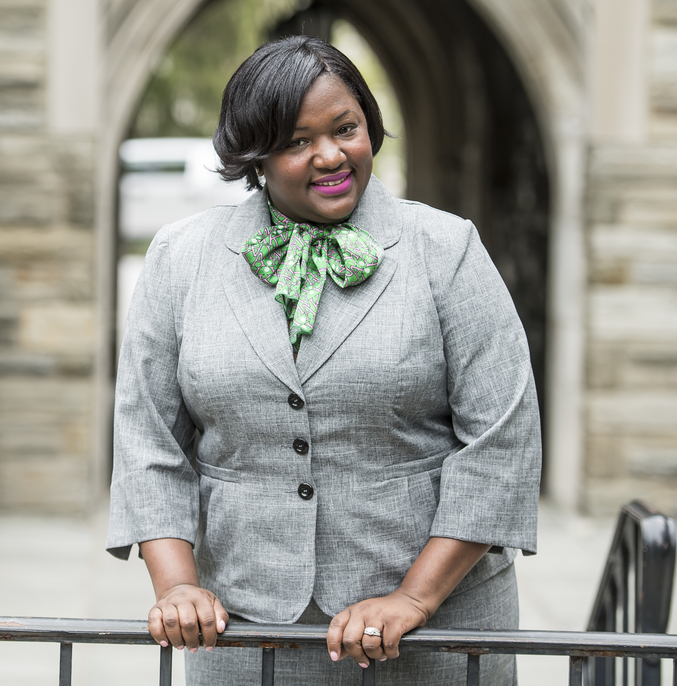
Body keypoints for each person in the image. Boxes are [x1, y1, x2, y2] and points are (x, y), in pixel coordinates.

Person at [106, 36, 541, 685]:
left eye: (346, 129)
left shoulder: (446, 250)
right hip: (248, 634)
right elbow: (149, 442)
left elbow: (500, 442)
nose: (331, 155)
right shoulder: (180, 259)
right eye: (297, 141)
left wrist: (414, 598)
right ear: (254, 156)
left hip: (437, 634)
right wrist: (177, 588)